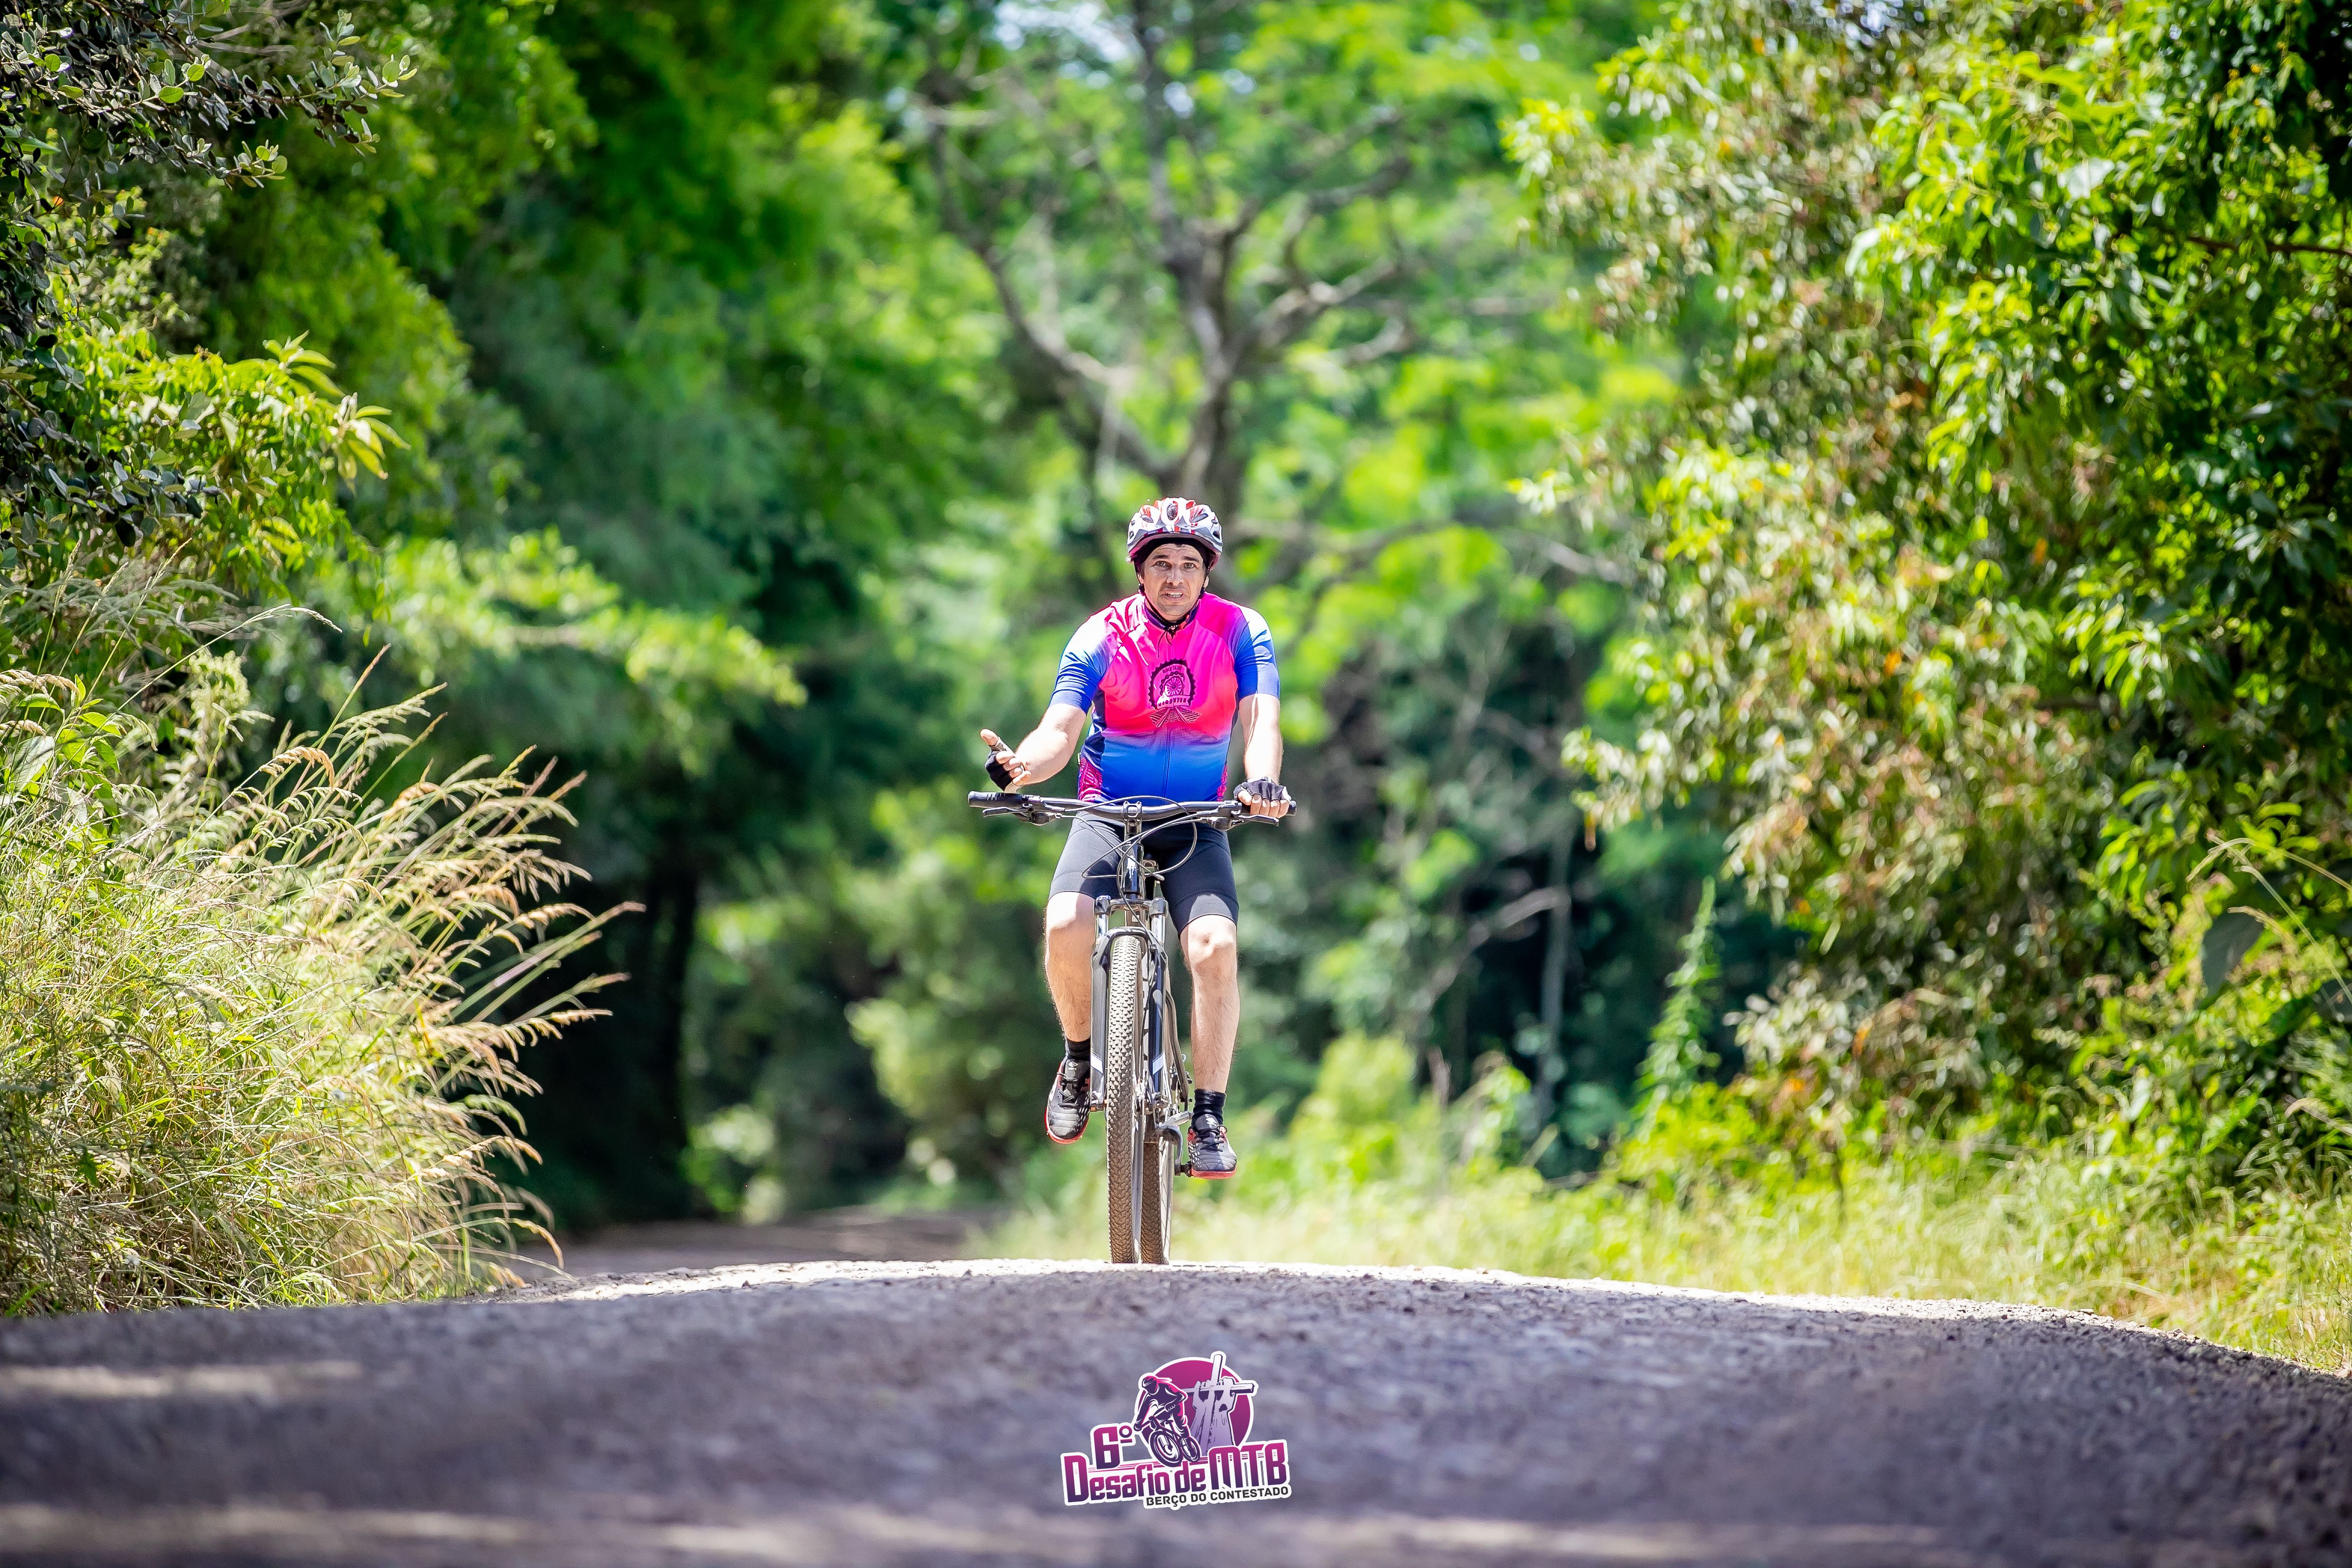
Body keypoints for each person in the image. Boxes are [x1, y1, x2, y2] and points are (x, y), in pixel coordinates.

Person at [980, 497, 1292, 1179]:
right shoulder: (1101, 634)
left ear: (1207, 572)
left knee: (1215, 947)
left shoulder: (1242, 629)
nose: (1175, 577)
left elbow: (1260, 720)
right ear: (1140, 571)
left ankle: (1208, 1115)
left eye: (1188, 565)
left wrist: (1263, 781)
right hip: (1109, 812)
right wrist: (1022, 767)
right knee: (1064, 922)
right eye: (1161, 564)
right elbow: (1059, 729)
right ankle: (1078, 1061)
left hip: (1194, 820)